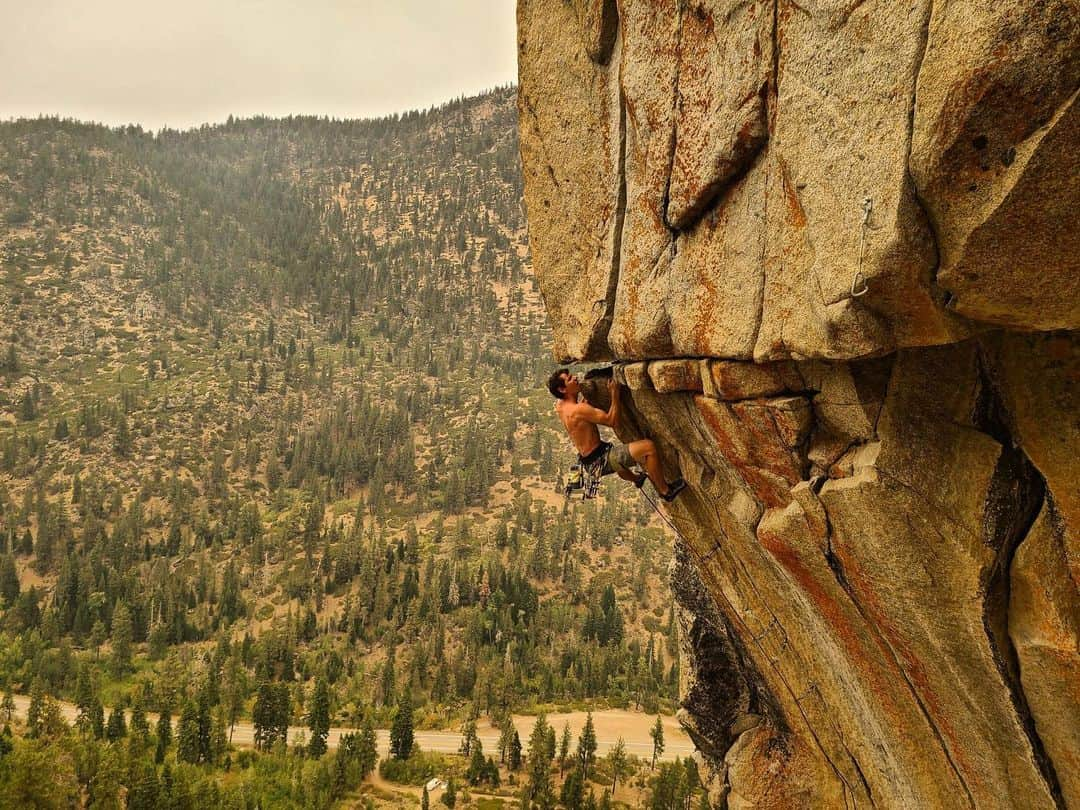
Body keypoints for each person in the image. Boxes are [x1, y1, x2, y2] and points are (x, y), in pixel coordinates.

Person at [548, 368, 686, 501]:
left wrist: (579, 401)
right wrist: (615, 395)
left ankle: (637, 479)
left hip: (590, 461)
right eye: (570, 379)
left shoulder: (561, 406)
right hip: (602, 460)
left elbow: (574, 412)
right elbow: (612, 421)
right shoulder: (579, 410)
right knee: (648, 448)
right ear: (562, 389)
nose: (575, 378)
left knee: (617, 459)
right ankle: (665, 491)